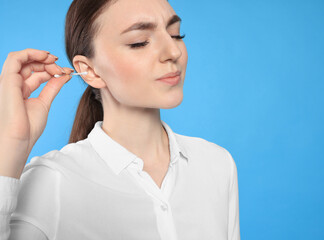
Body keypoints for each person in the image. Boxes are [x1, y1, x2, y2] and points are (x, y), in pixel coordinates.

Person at [0, 0, 240, 239]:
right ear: (91, 70)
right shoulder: (52, 181)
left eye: (176, 35)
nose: (174, 52)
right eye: (140, 42)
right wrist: (10, 147)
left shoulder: (217, 165)